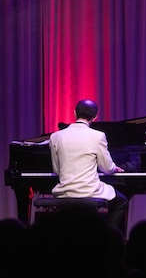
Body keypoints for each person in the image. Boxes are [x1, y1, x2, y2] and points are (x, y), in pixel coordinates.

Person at [49, 99, 128, 233]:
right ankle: (107, 238)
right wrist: (114, 167)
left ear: (74, 113)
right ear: (95, 117)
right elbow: (107, 168)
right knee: (122, 201)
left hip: (65, 191)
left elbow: (57, 170)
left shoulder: (56, 136)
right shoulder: (98, 136)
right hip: (89, 190)